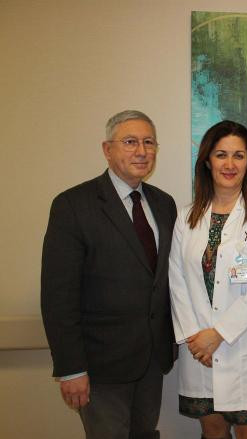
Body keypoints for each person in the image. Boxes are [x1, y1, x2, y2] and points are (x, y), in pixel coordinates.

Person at [41, 110, 177, 439]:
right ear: (107, 149)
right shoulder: (73, 205)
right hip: (100, 367)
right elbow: (58, 296)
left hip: (151, 362)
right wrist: (71, 368)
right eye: (130, 142)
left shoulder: (164, 204)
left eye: (149, 142)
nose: (141, 151)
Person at [168, 120, 247, 439]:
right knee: (213, 432)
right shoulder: (187, 217)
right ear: (207, 161)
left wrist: (218, 334)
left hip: (246, 346)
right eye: (221, 155)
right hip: (199, 350)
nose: (229, 164)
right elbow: (177, 280)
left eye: (238, 156)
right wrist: (196, 338)